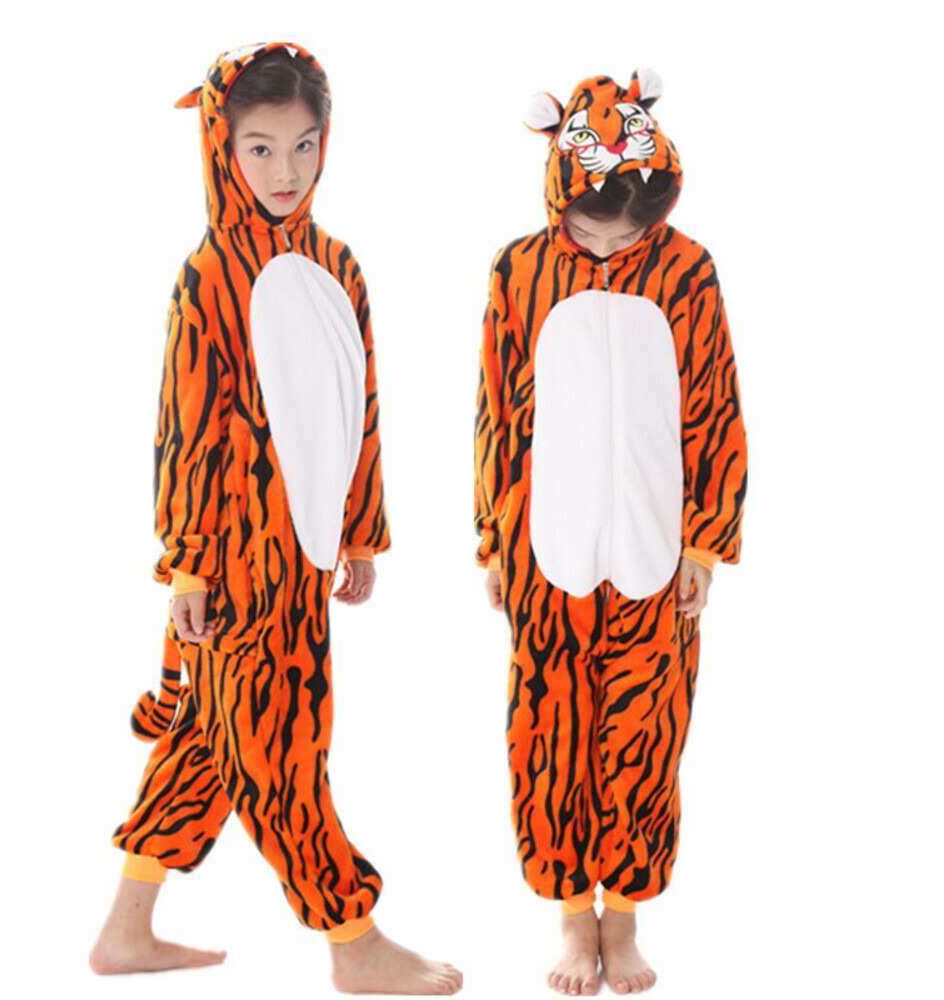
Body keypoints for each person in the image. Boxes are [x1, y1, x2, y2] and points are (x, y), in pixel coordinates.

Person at [89, 42, 462, 995]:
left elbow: (359, 406)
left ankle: (125, 933)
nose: (285, 171)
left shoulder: (338, 264)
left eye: (302, 145)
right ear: (223, 149)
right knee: (279, 746)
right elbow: (185, 431)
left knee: (208, 742)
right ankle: (352, 937)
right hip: (235, 559)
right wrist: (189, 565)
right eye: (259, 149)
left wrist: (360, 532)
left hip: (304, 552)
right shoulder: (209, 274)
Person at [473, 69, 747, 996]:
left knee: (644, 734)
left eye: (627, 234)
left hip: (658, 554)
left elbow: (714, 407)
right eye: (589, 232)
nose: (607, 247)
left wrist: (705, 543)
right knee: (547, 731)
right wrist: (494, 541)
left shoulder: (687, 269)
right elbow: (499, 414)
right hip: (544, 549)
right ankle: (569, 918)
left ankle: (621, 919)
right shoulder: (519, 270)